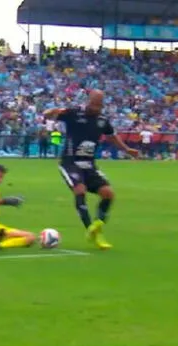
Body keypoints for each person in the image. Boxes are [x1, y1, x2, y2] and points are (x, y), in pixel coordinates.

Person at [43, 90, 139, 250]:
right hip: (70, 162)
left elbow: (112, 136)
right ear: (89, 101)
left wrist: (127, 149)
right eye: (94, 103)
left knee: (108, 193)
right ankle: (90, 229)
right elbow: (48, 115)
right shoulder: (73, 113)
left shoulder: (102, 120)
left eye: (99, 104)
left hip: (89, 164)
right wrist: (51, 111)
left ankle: (98, 226)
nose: (96, 107)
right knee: (80, 190)